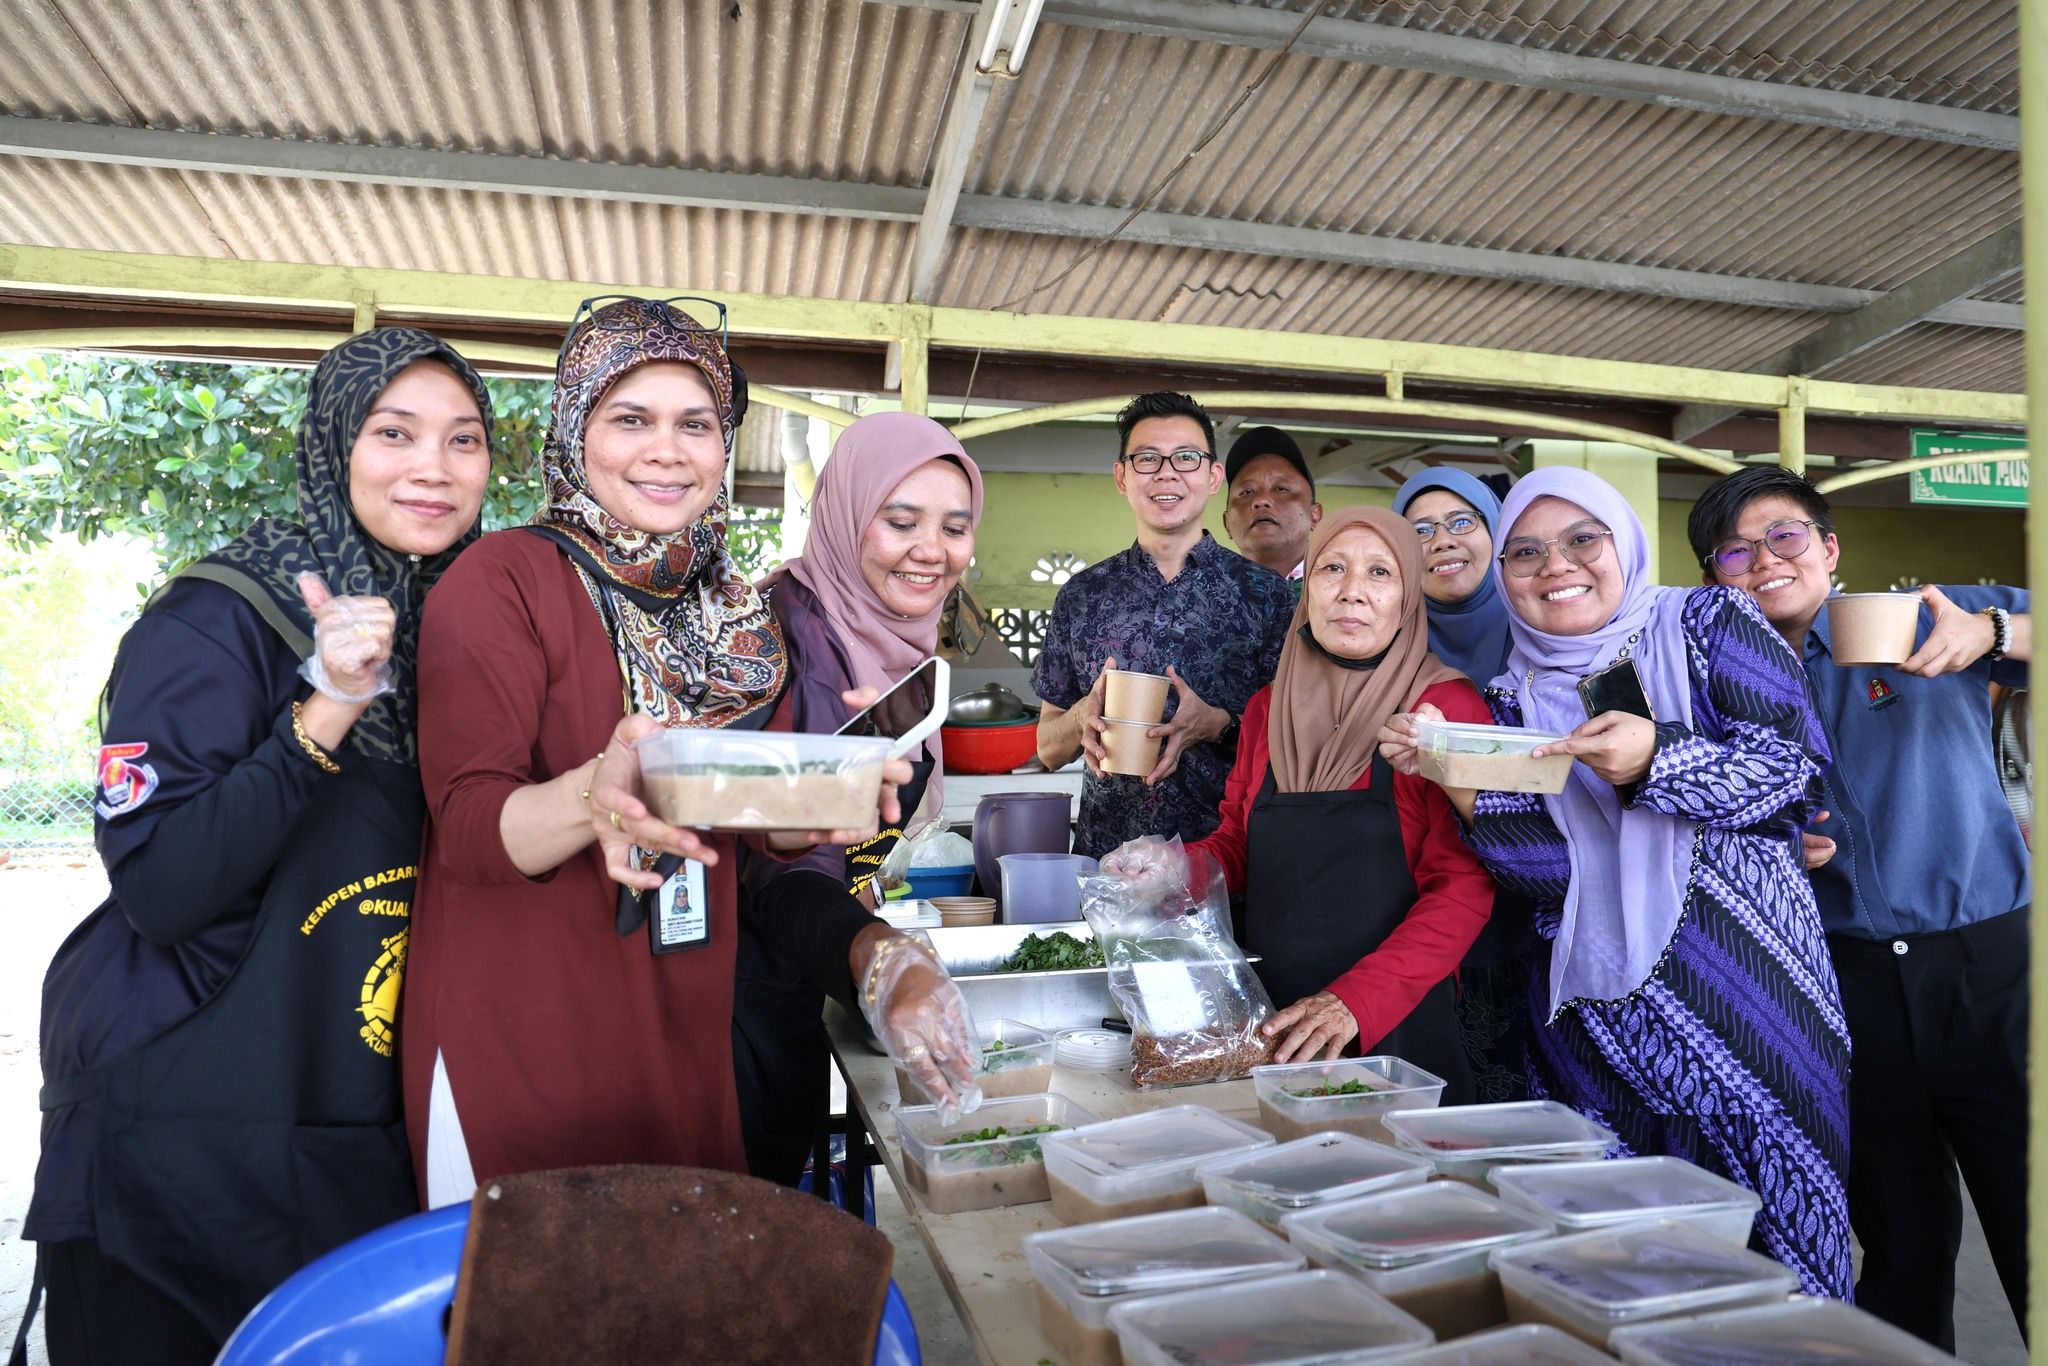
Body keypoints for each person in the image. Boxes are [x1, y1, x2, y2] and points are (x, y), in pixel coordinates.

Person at [404, 298, 970, 1207]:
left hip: (687, 1034)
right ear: (574, 430)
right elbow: (468, 828)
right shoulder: (503, 579)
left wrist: (815, 809)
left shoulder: (735, 618)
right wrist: (595, 794)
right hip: (526, 1035)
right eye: (632, 419)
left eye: (697, 424)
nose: (668, 451)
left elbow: (754, 852)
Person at [22, 329, 494, 1364]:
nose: (434, 466)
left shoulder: (468, 628)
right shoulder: (219, 616)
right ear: (332, 442)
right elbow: (162, 888)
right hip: (178, 1135)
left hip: (342, 1126)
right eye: (394, 433)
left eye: (464, 439)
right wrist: (328, 707)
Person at [1381, 466, 1852, 1299]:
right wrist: (1452, 771)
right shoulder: (1509, 697)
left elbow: (1791, 775)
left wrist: (1655, 758)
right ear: (1504, 575)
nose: (1556, 565)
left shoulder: (1707, 619)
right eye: (1526, 552)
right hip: (1593, 1044)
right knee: (1619, 1285)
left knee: (1783, 1276)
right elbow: (1545, 875)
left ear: (1623, 544)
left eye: (1581, 539)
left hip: (1752, 1019)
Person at [1688, 465, 2030, 1348]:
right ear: (1714, 580)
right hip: (1847, 985)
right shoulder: (1717, 689)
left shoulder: (1932, 616)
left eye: (1785, 536)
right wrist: (1771, 844)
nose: (1765, 561)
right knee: (1900, 1242)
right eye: (1735, 552)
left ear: (1830, 548)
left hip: (1989, 968)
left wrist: (1994, 630)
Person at [734, 411, 984, 1185]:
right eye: (901, 522)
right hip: (735, 1011)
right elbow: (778, 872)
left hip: (797, 980)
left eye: (954, 527)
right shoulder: (786, 648)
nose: (931, 550)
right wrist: (877, 955)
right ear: (844, 516)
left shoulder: (880, 640)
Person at [1170, 507, 1494, 1092]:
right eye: (1333, 568)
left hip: (1394, 1020)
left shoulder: (1445, 710)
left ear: (1408, 597)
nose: (1352, 591)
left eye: (1380, 573)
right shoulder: (1268, 708)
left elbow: (1464, 889)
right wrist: (1171, 870)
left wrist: (1354, 1002)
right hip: (1273, 1021)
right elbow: (1239, 842)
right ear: (1308, 588)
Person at [1034, 392, 1297, 858]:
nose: (1166, 472)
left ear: (1213, 476)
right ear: (1122, 477)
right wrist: (1080, 718)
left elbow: (1296, 745)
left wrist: (1217, 726)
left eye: (1187, 457)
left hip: (1229, 865)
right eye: (1147, 458)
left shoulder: (1267, 594)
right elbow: (1047, 750)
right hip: (1107, 866)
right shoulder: (1081, 595)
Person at [1393, 467, 1529, 1102]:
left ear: (1495, 533)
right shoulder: (1387, 649)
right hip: (1425, 909)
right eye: (1420, 531)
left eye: (1461, 522)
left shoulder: (1545, 634)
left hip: (1538, 907)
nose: (1442, 540)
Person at [1221, 425, 1321, 580]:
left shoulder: (1346, 588)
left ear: (1315, 516)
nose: (1261, 500)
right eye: (1247, 492)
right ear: (1227, 523)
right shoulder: (1204, 591)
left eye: (1281, 489)